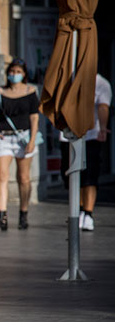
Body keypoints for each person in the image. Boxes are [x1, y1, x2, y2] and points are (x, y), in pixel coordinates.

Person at [0, 58, 41, 231]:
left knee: (23, 178)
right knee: (2, 177)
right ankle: (1, 216)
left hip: (24, 138)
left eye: (18, 72)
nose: (14, 75)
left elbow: (34, 117)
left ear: (24, 74)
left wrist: (32, 140)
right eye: (12, 71)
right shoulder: (0, 91)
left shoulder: (31, 91)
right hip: (4, 137)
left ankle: (23, 215)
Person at [60, 73, 112, 231]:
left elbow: (103, 106)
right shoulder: (67, 78)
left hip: (90, 134)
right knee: (71, 174)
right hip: (67, 135)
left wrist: (102, 128)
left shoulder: (101, 83)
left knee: (90, 174)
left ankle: (87, 213)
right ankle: (79, 210)